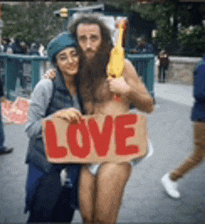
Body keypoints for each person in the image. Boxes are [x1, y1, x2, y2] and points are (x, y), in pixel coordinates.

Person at [68, 14, 154, 223]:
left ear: (104, 40)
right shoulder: (79, 70)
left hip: (117, 150)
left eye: (94, 38)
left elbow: (148, 105)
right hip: (89, 149)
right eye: (82, 39)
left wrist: (128, 90)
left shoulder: (122, 65)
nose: (88, 45)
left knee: (104, 219)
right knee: (87, 217)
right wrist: (49, 76)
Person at [24, 32, 85, 223]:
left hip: (72, 165)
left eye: (74, 54)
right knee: (40, 217)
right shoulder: (45, 86)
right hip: (46, 165)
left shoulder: (87, 87)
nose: (70, 61)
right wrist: (55, 118)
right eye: (62, 57)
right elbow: (30, 129)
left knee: (64, 218)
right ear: (55, 63)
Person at [161, 53, 205, 199]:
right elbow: (199, 94)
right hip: (202, 118)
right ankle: (171, 178)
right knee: (198, 155)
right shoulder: (203, 67)